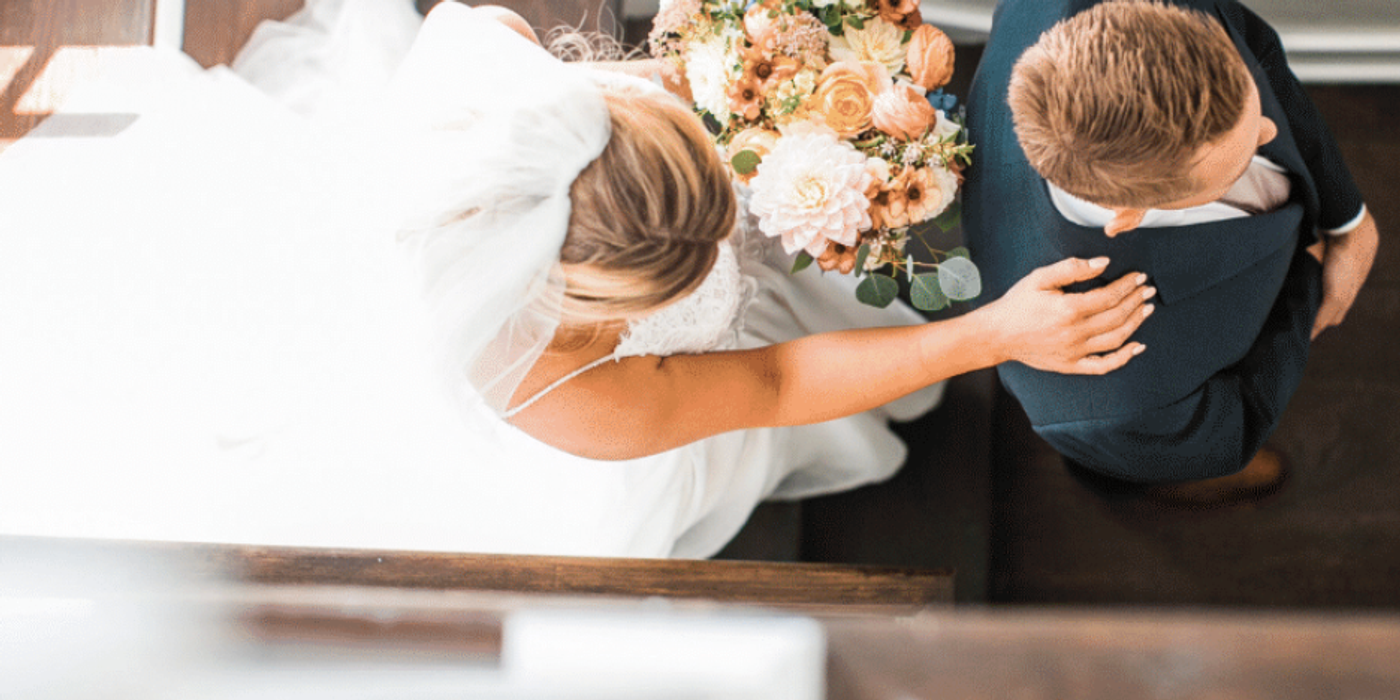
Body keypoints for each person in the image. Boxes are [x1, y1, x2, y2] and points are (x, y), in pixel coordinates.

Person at [0, 0, 1149, 558]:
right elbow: (761, 386)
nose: (724, 259)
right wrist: (989, 334)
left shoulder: (502, 94)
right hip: (604, 412)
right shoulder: (559, 392)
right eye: (685, 272)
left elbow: (485, 22)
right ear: (593, 307)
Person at [963, 0, 1379, 503]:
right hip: (1151, 433)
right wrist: (1308, 285)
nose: (1269, 132)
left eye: (1248, 102)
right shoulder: (1115, 402)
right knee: (1135, 465)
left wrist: (1346, 215)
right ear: (1128, 214)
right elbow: (1229, 433)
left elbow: (1259, 47)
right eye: (1239, 156)